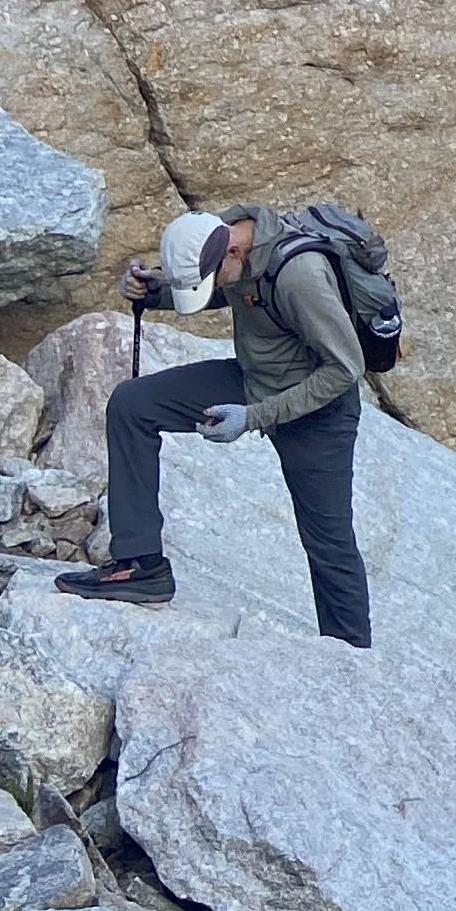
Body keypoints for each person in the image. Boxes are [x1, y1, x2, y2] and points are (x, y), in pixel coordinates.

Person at [64, 206, 373, 645]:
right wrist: (153, 293)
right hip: (253, 379)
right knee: (133, 404)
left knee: (328, 543)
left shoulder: (300, 275)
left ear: (233, 249)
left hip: (316, 413)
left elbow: (345, 370)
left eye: (216, 275)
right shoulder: (226, 241)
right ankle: (140, 565)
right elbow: (216, 286)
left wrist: (253, 417)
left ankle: (351, 657)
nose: (215, 286)